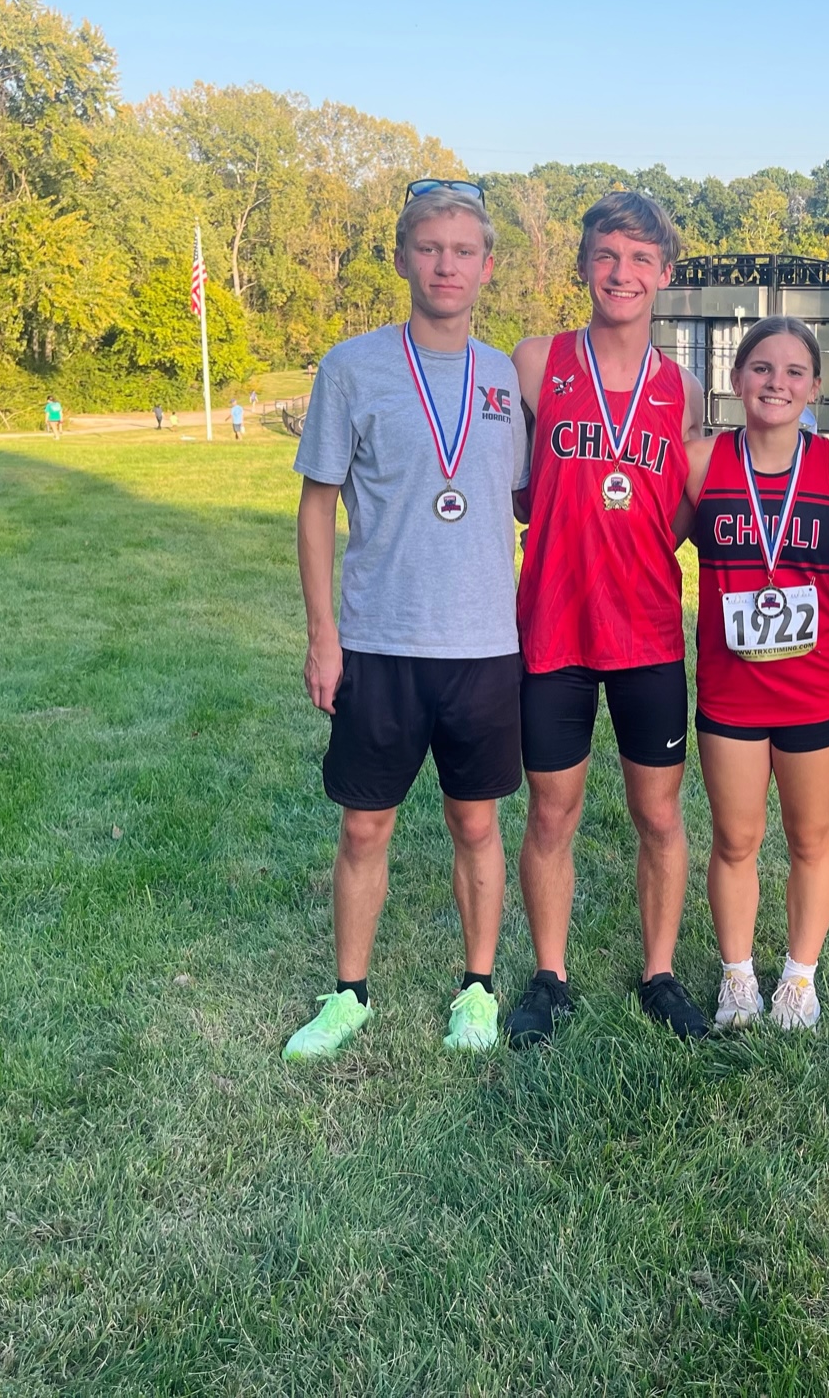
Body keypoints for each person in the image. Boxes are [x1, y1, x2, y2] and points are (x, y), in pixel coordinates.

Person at [284, 179, 529, 1061]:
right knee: (364, 824)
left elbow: (532, 500)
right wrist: (324, 636)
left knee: (477, 823)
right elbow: (317, 507)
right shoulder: (352, 368)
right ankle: (349, 993)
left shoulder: (503, 376)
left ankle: (478, 987)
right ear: (401, 258)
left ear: (487, 266)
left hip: (483, 646)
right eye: (430, 247)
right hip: (380, 642)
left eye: (464, 250)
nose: (447, 264)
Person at [505, 191, 709, 1044]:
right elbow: (510, 491)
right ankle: (549, 974)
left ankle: (658, 971)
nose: (621, 274)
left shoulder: (683, 388)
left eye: (640, 259)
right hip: (553, 624)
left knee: (658, 815)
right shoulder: (533, 362)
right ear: (584, 265)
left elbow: (681, 512)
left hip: (648, 632)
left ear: (664, 273)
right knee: (552, 812)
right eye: (606, 256)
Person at [680, 316, 829, 1029]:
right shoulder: (701, 463)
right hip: (730, 688)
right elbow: (649, 542)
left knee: (811, 836)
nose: (776, 383)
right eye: (761, 368)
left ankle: (798, 977)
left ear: (815, 386)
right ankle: (736, 977)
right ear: (737, 379)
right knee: (735, 838)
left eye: (793, 372)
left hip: (814, 685)